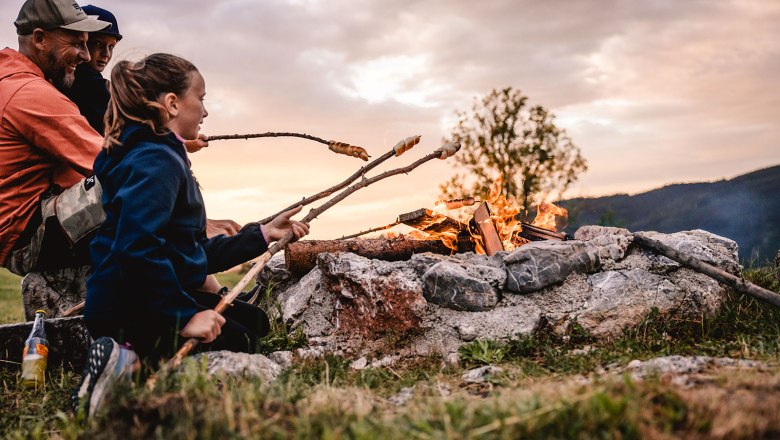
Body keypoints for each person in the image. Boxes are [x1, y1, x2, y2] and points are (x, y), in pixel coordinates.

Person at [72, 53, 310, 418]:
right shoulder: (156, 162)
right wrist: (183, 316)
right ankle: (127, 358)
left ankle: (132, 350)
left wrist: (261, 235)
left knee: (254, 322)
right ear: (171, 104)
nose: (205, 111)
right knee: (242, 340)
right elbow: (136, 248)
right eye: (200, 98)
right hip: (134, 304)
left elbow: (189, 252)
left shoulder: (153, 154)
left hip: (133, 297)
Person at [0, 0, 111, 275]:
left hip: (18, 228)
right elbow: (112, 162)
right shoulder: (31, 94)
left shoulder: (10, 79)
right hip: (26, 237)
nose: (85, 55)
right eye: (76, 43)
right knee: (145, 173)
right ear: (40, 38)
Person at [62, 4, 121, 134]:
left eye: (111, 46)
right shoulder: (97, 87)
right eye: (98, 43)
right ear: (80, 41)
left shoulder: (58, 77)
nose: (106, 53)